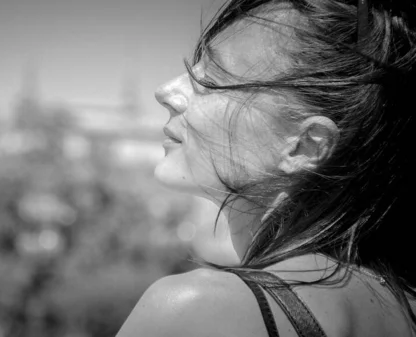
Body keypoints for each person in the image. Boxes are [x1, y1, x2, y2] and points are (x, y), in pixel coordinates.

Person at [117, 0, 416, 336]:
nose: (166, 92)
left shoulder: (198, 310)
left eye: (211, 79)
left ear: (306, 145)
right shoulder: (402, 303)